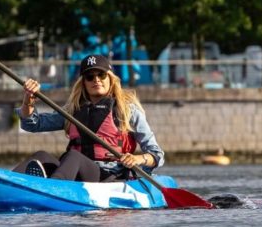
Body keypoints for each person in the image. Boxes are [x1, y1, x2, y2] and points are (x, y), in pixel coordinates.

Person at [12, 54, 164, 182]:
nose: (96, 80)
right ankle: (4, 181)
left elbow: (157, 155)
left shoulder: (127, 110)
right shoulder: (73, 110)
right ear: (83, 83)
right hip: (74, 172)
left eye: (101, 75)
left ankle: (52, 188)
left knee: (73, 156)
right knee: (41, 156)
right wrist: (28, 100)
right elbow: (33, 124)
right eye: (90, 77)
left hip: (110, 176)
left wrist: (137, 159)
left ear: (110, 79)